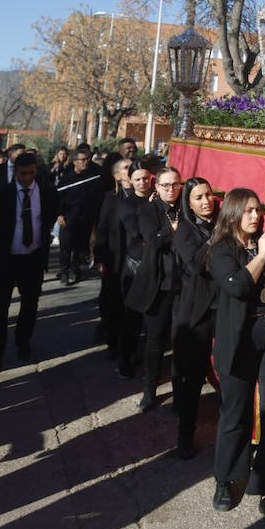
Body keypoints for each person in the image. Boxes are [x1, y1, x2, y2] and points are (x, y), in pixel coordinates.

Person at [209, 189, 265, 527]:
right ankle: (227, 478)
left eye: (258, 210)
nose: (255, 216)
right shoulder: (221, 250)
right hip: (240, 340)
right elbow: (237, 286)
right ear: (233, 214)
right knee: (236, 412)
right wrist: (261, 256)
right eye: (248, 210)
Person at [0, 152, 59, 370]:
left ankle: (23, 342)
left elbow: (48, 220)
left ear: (36, 171)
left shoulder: (47, 194)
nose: (27, 178)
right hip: (5, 260)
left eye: (31, 173)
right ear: (15, 172)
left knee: (30, 305)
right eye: (22, 174)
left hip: (32, 259)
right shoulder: (2, 195)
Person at [125, 165, 184, 412]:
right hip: (159, 286)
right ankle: (149, 390)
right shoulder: (147, 209)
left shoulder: (186, 208)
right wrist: (172, 229)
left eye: (175, 185)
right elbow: (153, 241)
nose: (171, 190)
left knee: (181, 340)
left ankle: (181, 394)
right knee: (155, 341)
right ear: (156, 187)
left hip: (184, 285)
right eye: (166, 185)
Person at [172, 177, 220, 458]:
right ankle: (185, 435)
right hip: (197, 313)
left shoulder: (219, 224)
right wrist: (217, 237)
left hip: (222, 306)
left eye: (208, 194)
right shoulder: (184, 233)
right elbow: (197, 264)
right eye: (198, 198)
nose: (206, 201)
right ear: (188, 204)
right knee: (193, 375)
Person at [114, 165, 157, 378]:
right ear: (131, 180)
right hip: (135, 265)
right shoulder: (127, 204)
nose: (143, 183)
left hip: (156, 264)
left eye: (146, 178)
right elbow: (137, 232)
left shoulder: (158, 199)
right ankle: (125, 359)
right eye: (138, 179)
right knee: (132, 318)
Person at [94, 157, 134, 355]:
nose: (131, 169)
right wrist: (100, 258)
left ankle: (130, 346)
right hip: (115, 260)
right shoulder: (110, 198)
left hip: (137, 261)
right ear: (117, 176)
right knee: (114, 303)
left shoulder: (144, 196)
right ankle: (113, 342)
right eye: (126, 168)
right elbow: (101, 230)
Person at [55, 148, 104, 283]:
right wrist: (59, 215)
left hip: (85, 218)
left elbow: (97, 199)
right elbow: (58, 197)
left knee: (80, 246)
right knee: (66, 246)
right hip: (68, 217)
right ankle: (64, 271)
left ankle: (75, 270)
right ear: (75, 162)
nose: (85, 162)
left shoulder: (93, 177)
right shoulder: (67, 178)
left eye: (87, 159)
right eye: (82, 160)